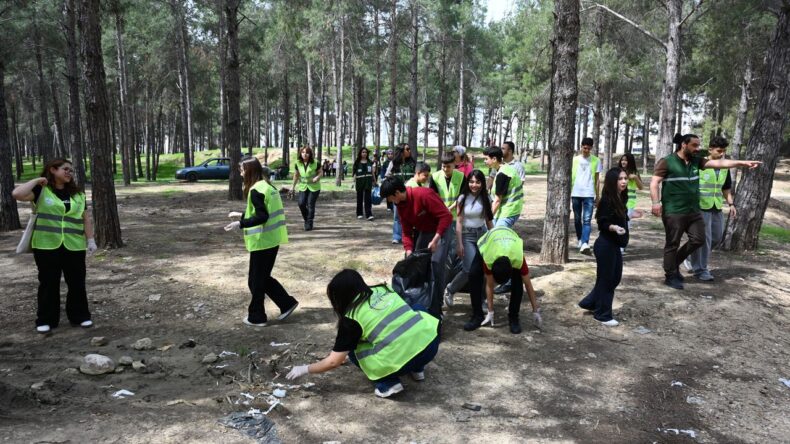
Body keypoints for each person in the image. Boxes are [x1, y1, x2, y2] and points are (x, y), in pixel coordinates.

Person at [285, 269, 439, 398]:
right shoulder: (383, 289)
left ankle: (388, 383)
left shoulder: (351, 318)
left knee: (354, 351)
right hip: (430, 346)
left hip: (403, 359)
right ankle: (418, 369)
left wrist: (305, 369)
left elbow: (334, 361)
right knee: (418, 309)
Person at [650, 133, 761, 289]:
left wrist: (742, 163)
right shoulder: (667, 162)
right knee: (672, 243)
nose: (698, 148)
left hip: (693, 211)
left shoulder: (697, 161)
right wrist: (655, 202)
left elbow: (719, 164)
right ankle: (671, 275)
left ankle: (674, 264)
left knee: (698, 240)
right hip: (674, 210)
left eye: (698, 145)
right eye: (694, 145)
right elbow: (654, 183)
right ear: (684, 145)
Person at [12, 158, 97, 334]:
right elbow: (17, 194)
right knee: (48, 283)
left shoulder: (78, 194)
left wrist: (90, 240)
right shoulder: (41, 190)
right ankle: (46, 320)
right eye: (65, 169)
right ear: (53, 170)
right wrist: (36, 180)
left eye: (71, 171)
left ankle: (80, 316)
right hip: (46, 245)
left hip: (74, 245)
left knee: (77, 282)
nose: (69, 173)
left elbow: (85, 218)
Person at [225, 157, 299, 326]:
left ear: (250, 170)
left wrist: (240, 224)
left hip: (262, 242)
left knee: (255, 281)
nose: (241, 174)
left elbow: (262, 216)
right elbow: (262, 211)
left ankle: (257, 316)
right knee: (262, 278)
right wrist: (241, 214)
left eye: (243, 170)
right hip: (272, 240)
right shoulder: (268, 187)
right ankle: (286, 303)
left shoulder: (255, 190)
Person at [381, 176, 453, 317]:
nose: (389, 202)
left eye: (389, 198)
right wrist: (408, 250)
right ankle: (421, 301)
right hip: (425, 231)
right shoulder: (400, 204)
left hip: (442, 230)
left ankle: (437, 308)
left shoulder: (424, 195)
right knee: (416, 263)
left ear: (396, 193)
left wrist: (436, 239)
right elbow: (406, 230)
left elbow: (446, 217)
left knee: (435, 265)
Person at [578, 168, 630, 326]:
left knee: (614, 278)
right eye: (620, 179)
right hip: (605, 245)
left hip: (614, 246)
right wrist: (613, 227)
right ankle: (603, 314)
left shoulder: (620, 198)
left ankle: (590, 302)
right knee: (607, 280)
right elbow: (602, 222)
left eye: (625, 178)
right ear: (612, 181)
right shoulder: (607, 199)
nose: (624, 181)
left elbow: (619, 217)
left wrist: (632, 215)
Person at [684, 136, 737, 281]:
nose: (722, 154)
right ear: (710, 149)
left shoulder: (724, 167)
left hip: (716, 207)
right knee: (705, 240)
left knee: (717, 237)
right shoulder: (700, 164)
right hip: (701, 207)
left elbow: (726, 188)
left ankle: (689, 256)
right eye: (719, 151)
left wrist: (731, 204)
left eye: (724, 151)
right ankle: (701, 270)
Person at [472, 227, 542, 334]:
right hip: (488, 240)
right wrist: (491, 312)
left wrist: (535, 311)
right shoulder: (488, 258)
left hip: (510, 238)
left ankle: (514, 317)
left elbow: (528, 285)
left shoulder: (518, 259)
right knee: (473, 274)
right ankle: (477, 315)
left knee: (518, 283)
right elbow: (490, 285)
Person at [444, 170, 494, 321]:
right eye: (471, 182)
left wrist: (495, 237)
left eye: (478, 182)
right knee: (469, 269)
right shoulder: (462, 198)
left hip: (483, 235)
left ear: (482, 183)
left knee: (486, 269)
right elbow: (458, 222)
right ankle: (450, 289)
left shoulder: (486, 197)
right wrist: (459, 243)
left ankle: (482, 300)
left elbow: (488, 221)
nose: (474, 185)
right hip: (467, 235)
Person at [572, 138, 602, 255]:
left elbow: (597, 179)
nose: (586, 150)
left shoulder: (596, 160)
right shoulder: (574, 160)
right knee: (577, 219)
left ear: (591, 148)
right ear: (581, 147)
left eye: (589, 149)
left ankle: (585, 242)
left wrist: (598, 196)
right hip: (575, 193)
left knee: (587, 220)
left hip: (589, 193)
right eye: (585, 148)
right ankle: (580, 239)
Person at [483, 147, 523, 228]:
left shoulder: (502, 174)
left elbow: (497, 201)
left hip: (509, 210)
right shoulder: (505, 168)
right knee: (492, 233)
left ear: (494, 159)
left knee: (498, 235)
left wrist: (487, 219)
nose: (484, 161)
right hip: (506, 209)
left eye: (486, 159)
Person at [386, 144, 417, 244]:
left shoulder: (413, 163)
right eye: (407, 149)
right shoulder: (393, 163)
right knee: (397, 216)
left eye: (409, 149)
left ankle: (411, 236)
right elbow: (388, 176)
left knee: (412, 215)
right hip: (397, 194)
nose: (409, 151)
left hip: (411, 194)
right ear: (401, 151)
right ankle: (397, 236)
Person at [289, 146, 322, 231]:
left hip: (314, 187)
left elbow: (321, 172)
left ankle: (309, 222)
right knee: (301, 203)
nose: (305, 154)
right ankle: (306, 219)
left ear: (310, 154)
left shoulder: (315, 162)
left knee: (310, 204)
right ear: (300, 153)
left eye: (307, 152)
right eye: (303, 152)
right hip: (303, 186)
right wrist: (292, 187)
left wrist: (317, 178)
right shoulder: (297, 163)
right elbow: (296, 175)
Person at [352, 147, 376, 221]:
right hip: (359, 182)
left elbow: (372, 173)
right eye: (363, 152)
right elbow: (355, 174)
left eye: (365, 152)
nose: (364, 153)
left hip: (368, 182)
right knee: (359, 198)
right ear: (360, 153)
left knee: (368, 199)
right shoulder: (357, 162)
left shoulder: (370, 162)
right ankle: (359, 213)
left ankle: (369, 214)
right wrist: (353, 182)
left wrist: (375, 181)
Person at [618, 153, 644, 221]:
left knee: (626, 222)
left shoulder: (635, 172)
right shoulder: (618, 171)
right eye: (622, 160)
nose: (623, 162)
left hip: (630, 201)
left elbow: (641, 187)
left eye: (626, 160)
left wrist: (635, 177)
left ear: (630, 162)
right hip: (618, 200)